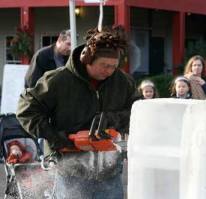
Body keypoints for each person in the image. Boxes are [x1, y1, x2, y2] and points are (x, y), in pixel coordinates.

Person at [16, 26, 137, 198]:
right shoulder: (58, 80)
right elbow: (26, 110)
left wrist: (115, 119)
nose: (109, 71)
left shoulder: (123, 82)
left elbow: (139, 112)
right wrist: (55, 137)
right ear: (88, 58)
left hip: (109, 171)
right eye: (104, 65)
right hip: (70, 170)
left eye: (113, 67)